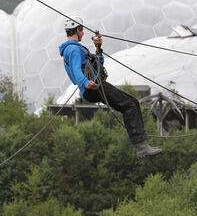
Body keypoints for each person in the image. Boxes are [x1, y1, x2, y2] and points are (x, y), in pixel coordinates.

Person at [58, 16, 162, 158]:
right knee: (130, 104)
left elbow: (97, 64)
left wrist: (98, 48)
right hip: (93, 87)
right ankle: (141, 146)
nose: (83, 33)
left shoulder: (75, 49)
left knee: (131, 103)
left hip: (93, 87)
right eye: (82, 30)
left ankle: (141, 144)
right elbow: (76, 70)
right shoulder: (73, 50)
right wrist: (85, 82)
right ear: (78, 29)